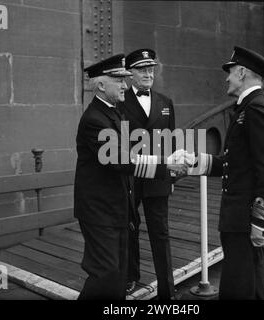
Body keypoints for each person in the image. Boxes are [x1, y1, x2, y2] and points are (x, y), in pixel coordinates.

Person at [74, 54, 187, 300]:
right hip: (100, 211)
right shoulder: (96, 120)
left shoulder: (114, 113)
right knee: (105, 273)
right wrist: (166, 165)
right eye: (119, 80)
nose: (126, 85)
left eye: (126, 80)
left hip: (118, 208)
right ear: (102, 85)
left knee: (116, 275)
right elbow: (123, 161)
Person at [184, 46, 264, 299]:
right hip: (238, 220)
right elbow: (233, 163)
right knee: (247, 286)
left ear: (241, 73)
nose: (226, 78)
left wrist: (260, 222)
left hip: (246, 221)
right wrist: (193, 162)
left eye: (229, 72)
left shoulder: (256, 109)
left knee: (241, 288)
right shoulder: (249, 107)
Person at [118, 48, 176, 300]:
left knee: (160, 232)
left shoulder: (165, 103)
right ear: (130, 73)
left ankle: (167, 289)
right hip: (130, 178)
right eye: (142, 69)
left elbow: (171, 143)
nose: (148, 73)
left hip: (157, 178)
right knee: (129, 228)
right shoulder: (120, 102)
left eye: (150, 69)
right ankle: (131, 277)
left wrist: (171, 177)